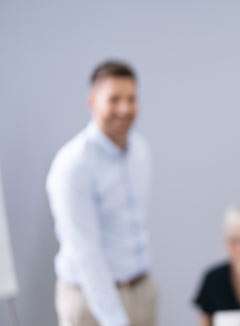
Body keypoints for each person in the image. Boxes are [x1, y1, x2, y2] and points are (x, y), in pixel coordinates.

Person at [47, 60, 157, 326]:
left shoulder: (140, 152)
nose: (125, 109)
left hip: (139, 290)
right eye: (114, 99)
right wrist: (114, 319)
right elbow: (86, 252)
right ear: (93, 101)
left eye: (131, 99)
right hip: (89, 299)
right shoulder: (73, 165)